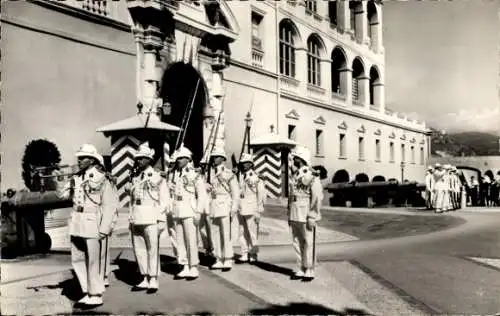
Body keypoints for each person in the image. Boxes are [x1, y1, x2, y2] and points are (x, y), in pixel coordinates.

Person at [57, 144, 118, 307]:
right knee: (77, 258)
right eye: (79, 157)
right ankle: (87, 290)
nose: (79, 160)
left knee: (93, 260)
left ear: (92, 160)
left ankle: (96, 293)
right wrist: (60, 180)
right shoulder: (76, 178)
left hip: (92, 221)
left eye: (83, 158)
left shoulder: (102, 178)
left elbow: (109, 205)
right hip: (77, 221)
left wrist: (105, 228)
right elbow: (62, 196)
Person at [128, 143, 169, 293]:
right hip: (137, 217)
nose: (137, 161)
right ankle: (144, 277)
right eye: (137, 158)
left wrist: (161, 220)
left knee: (152, 249)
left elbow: (164, 200)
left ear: (148, 160)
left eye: (141, 158)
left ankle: (153, 278)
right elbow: (132, 200)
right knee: (139, 249)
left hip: (151, 217)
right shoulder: (135, 177)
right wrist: (131, 218)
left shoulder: (158, 177)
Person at [170, 146, 207, 279]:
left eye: (181, 158)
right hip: (177, 211)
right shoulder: (175, 174)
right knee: (179, 241)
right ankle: (184, 265)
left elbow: (201, 195)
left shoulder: (195, 175)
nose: (178, 160)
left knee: (191, 240)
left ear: (188, 159)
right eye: (178, 158)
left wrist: (198, 212)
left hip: (190, 211)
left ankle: (193, 266)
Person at [288, 146, 323, 281]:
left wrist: (313, 215)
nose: (293, 160)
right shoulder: (295, 174)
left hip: (306, 213)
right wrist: (289, 215)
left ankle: (309, 268)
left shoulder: (311, 175)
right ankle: (301, 268)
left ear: (300, 159)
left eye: (295, 157)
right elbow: (292, 196)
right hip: (295, 213)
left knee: (308, 242)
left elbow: (317, 197)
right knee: (297, 242)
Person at [207, 147, 240, 271]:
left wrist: (234, 208)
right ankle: (218, 258)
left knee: (226, 234)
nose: (214, 159)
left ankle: (227, 258)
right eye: (213, 157)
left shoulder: (228, 174)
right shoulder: (212, 173)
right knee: (215, 234)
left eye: (216, 157)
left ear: (222, 159)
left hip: (226, 205)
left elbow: (235, 193)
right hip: (215, 206)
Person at [236, 153, 266, 263]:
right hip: (241, 208)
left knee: (252, 233)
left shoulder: (256, 177)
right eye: (243, 163)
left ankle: (253, 254)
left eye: (247, 163)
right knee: (242, 232)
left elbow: (261, 194)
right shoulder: (239, 176)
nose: (245, 165)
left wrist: (259, 210)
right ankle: (244, 253)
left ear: (251, 164)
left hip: (252, 208)